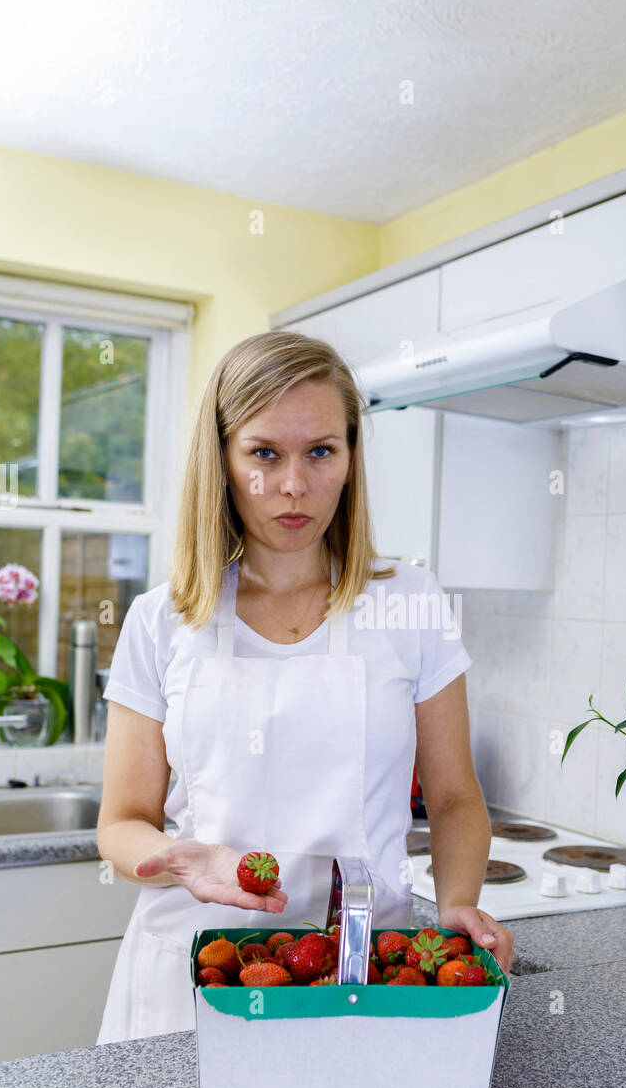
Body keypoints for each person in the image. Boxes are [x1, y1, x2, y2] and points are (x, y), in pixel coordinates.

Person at [96, 329, 514, 1042]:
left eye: (321, 451)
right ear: (222, 460)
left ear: (351, 458)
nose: (294, 485)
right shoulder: (160, 620)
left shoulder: (409, 602)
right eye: (264, 453)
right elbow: (121, 822)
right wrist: (183, 860)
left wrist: (457, 903)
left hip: (368, 974)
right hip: (197, 967)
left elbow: (453, 798)